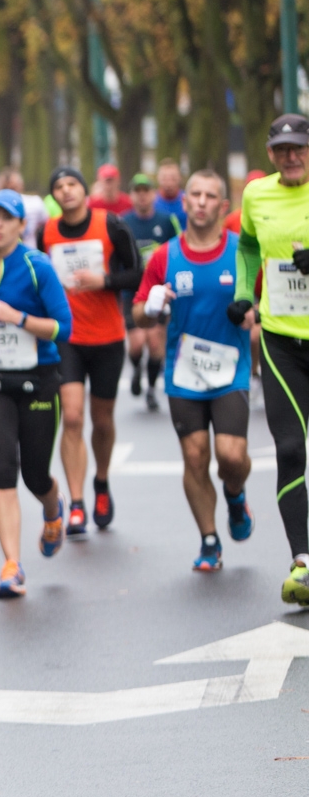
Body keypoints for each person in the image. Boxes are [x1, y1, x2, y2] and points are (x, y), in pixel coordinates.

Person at [132, 169, 252, 572]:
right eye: (194, 195)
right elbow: (139, 312)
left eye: (209, 196)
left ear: (223, 205)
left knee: (231, 456)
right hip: (183, 372)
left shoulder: (241, 252)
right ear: (184, 203)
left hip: (230, 369)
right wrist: (150, 307)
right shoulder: (165, 256)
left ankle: (235, 495)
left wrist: (252, 314)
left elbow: (266, 304)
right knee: (195, 456)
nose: (201, 202)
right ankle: (209, 539)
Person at [0, 189, 73, 598]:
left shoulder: (38, 267)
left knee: (35, 473)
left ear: (23, 225)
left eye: (7, 218)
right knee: (2, 467)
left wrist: (17, 317)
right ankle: (11, 565)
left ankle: (52, 507)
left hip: (39, 379)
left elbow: (64, 329)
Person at [230, 114, 309, 603]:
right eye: (282, 149)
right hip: (281, 340)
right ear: (270, 152)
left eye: (299, 147)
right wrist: (243, 292)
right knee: (288, 449)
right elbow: (247, 247)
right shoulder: (257, 195)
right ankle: (302, 562)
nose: (291, 156)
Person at [41, 165, 143, 537]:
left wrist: (105, 281)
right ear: (54, 196)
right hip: (66, 338)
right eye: (59, 186)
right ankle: (77, 502)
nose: (66, 191)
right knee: (70, 417)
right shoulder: (47, 232)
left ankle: (101, 481)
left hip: (107, 337)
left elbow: (137, 273)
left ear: (85, 191)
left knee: (101, 421)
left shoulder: (110, 225)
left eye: (72, 184)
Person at [122, 172, 180, 409]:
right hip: (132, 292)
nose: (142, 196)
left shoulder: (166, 221)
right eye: (138, 191)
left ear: (153, 194)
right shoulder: (123, 221)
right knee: (136, 344)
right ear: (132, 195)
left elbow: (179, 251)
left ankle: (152, 389)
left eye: (147, 191)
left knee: (155, 344)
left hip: (159, 290)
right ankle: (137, 369)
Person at [0, 169, 51, 249]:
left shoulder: (35, 203)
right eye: (5, 189)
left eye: (13, 188)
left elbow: (47, 226)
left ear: (21, 186)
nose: (10, 193)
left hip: (30, 253)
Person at [153, 158, 188, 228]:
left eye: (173, 179)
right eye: (164, 179)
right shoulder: (151, 201)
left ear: (180, 178)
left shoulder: (188, 199)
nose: (169, 183)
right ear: (158, 178)